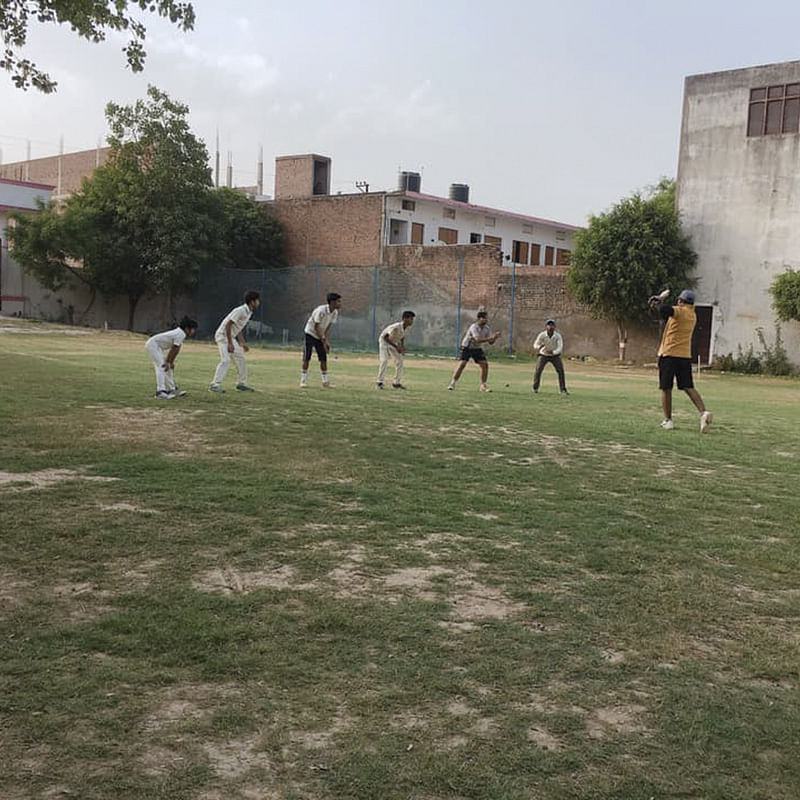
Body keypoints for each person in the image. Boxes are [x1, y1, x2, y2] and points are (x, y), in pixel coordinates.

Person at [649, 288, 712, 432]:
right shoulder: (692, 315)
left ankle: (668, 420)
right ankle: (703, 412)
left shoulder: (680, 311)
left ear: (681, 301)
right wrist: (658, 304)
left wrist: (659, 300)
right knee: (688, 387)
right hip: (684, 356)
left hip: (669, 354)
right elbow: (666, 315)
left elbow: (665, 310)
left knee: (666, 388)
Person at [209, 290, 260, 393]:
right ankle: (214, 384)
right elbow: (228, 325)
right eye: (257, 300)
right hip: (222, 336)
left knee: (241, 359)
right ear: (252, 301)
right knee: (226, 360)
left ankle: (241, 383)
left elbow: (238, 327)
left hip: (230, 337)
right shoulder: (240, 310)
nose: (259, 302)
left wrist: (242, 343)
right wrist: (230, 343)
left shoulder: (249, 312)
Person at [145, 316, 197, 399]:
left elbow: (177, 349)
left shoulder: (181, 334)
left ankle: (172, 389)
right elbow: (174, 348)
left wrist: (170, 362)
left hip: (158, 347)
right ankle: (160, 392)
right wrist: (167, 362)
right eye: (193, 329)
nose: (193, 331)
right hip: (153, 345)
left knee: (168, 367)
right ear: (187, 328)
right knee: (162, 366)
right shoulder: (181, 333)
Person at [448, 310, 501, 392]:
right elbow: (477, 340)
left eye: (487, 319)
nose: (486, 320)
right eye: (484, 318)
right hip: (467, 347)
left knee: (485, 364)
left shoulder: (487, 328)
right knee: (462, 364)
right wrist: (489, 339)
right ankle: (452, 383)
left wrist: (494, 337)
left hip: (477, 348)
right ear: (479, 318)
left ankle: (483, 385)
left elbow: (490, 342)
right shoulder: (474, 327)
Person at [301, 292, 342, 388]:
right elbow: (316, 326)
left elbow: (327, 327)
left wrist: (326, 341)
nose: (340, 303)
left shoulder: (335, 312)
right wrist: (323, 340)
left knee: (323, 358)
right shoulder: (321, 310)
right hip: (310, 334)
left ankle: (325, 382)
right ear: (332, 302)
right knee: (307, 357)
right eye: (338, 301)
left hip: (320, 335)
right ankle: (303, 381)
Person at [377, 310, 416, 389]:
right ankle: (379, 382)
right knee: (384, 360)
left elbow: (402, 337)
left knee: (399, 361)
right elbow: (385, 337)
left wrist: (402, 346)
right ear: (405, 319)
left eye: (412, 319)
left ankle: (396, 383)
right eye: (411, 319)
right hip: (384, 342)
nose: (412, 321)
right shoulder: (395, 327)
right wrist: (396, 347)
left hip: (393, 342)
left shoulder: (406, 328)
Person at [532, 318, 569, 394]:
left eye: (552, 325)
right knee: (538, 370)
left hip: (554, 355)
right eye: (549, 325)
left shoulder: (557, 336)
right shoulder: (542, 335)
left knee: (560, 371)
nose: (550, 327)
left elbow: (560, 347)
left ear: (555, 327)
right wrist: (539, 347)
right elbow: (535, 344)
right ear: (546, 326)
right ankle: (535, 387)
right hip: (543, 354)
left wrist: (553, 352)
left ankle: (562, 389)